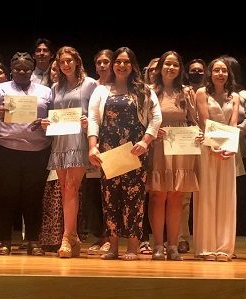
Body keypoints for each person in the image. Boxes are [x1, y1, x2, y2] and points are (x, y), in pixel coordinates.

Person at [86, 47, 162, 261]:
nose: (121, 65)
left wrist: (145, 141)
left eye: (126, 62)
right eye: (118, 61)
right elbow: (93, 119)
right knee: (110, 198)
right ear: (112, 65)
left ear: (133, 66)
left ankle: (132, 246)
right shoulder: (101, 90)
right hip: (109, 152)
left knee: (135, 199)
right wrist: (93, 146)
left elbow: (156, 118)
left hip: (134, 151)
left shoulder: (144, 90)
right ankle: (112, 246)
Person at [0, 52, 53, 255]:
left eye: (26, 69)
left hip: (38, 151)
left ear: (33, 70)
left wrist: (48, 123)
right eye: (18, 69)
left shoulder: (45, 91)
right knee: (6, 196)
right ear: (11, 70)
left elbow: (54, 118)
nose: (22, 72)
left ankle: (33, 240)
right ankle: (4, 241)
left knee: (33, 196)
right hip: (5, 149)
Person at [40, 46, 99, 258]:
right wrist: (47, 123)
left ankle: (66, 237)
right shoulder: (55, 88)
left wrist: (89, 122)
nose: (65, 65)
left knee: (73, 187)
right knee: (65, 188)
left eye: (69, 61)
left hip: (80, 139)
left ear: (77, 61)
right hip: (60, 140)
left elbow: (97, 112)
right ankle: (72, 236)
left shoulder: (90, 84)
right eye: (62, 62)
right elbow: (54, 113)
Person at [192, 56, 244, 262]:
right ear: (210, 73)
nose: (220, 74)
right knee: (207, 196)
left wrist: (229, 148)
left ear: (228, 74)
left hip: (228, 150)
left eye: (224, 70)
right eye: (216, 70)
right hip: (208, 148)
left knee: (226, 196)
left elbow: (233, 124)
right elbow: (204, 121)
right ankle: (206, 247)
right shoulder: (202, 93)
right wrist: (213, 146)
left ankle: (224, 248)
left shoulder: (235, 97)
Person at [148, 51, 198, 261]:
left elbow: (194, 120)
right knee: (158, 194)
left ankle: (173, 245)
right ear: (160, 68)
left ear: (180, 69)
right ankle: (158, 244)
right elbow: (143, 119)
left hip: (181, 146)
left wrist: (200, 134)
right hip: (157, 144)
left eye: (175, 65)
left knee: (177, 195)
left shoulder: (186, 92)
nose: (170, 68)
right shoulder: (149, 91)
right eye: (167, 64)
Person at [83, 49, 114, 255]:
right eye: (99, 62)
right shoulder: (91, 85)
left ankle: (112, 237)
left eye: (106, 62)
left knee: (111, 191)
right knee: (94, 191)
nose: (103, 66)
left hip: (114, 143)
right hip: (92, 142)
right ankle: (100, 236)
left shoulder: (119, 86)